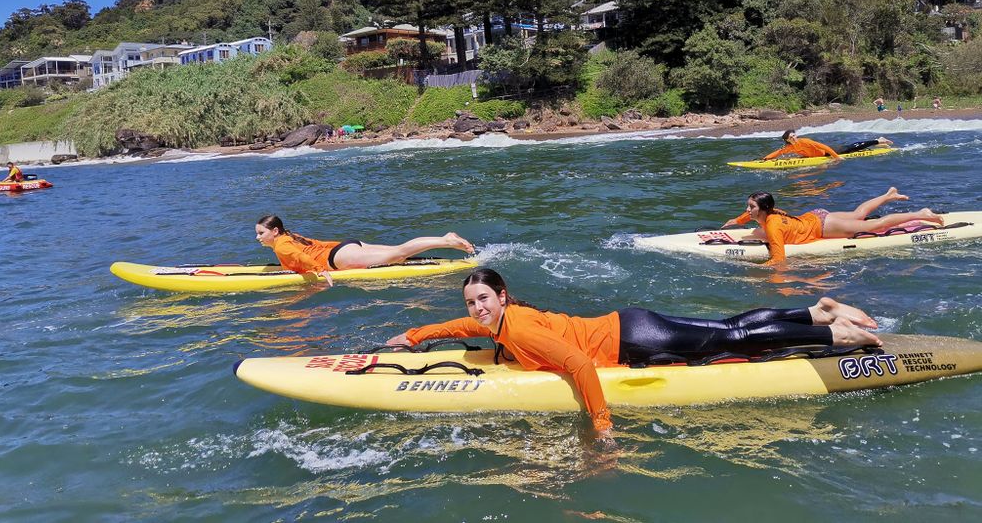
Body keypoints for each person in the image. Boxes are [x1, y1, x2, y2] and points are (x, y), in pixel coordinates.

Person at [386, 269, 881, 440]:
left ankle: (836, 338)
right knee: (724, 327)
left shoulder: (517, 327)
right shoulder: (496, 319)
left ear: (504, 296)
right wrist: (415, 335)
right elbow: (459, 326)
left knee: (731, 339)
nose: (478, 310)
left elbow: (579, 366)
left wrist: (600, 426)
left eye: (484, 300)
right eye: (472, 303)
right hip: (628, 322)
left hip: (637, 341)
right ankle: (815, 310)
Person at [721, 189, 943, 264]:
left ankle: (922, 214)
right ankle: (888, 196)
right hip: (816, 215)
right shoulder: (769, 212)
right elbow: (747, 217)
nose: (748, 210)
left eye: (751, 207)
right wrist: (736, 221)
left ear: (763, 208)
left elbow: (779, 259)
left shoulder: (773, 226)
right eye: (747, 207)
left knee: (876, 225)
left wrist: (761, 271)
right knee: (858, 214)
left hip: (823, 226)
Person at [255, 215, 475, 284]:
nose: (258, 238)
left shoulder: (282, 245)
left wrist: (320, 271)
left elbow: (300, 256)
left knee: (399, 253)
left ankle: (446, 240)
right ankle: (444, 240)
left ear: (274, 231)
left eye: (261, 233)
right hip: (346, 247)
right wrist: (346, 245)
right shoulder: (290, 236)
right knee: (398, 253)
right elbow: (318, 245)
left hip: (338, 259)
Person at [762, 130, 893, 160]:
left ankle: (878, 140)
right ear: (788, 141)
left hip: (829, 151)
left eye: (794, 135)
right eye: (791, 137)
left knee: (853, 147)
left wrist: (836, 157)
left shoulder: (806, 141)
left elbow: (824, 147)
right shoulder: (789, 148)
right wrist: (765, 159)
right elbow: (778, 153)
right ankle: (878, 144)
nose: (794, 138)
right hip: (813, 157)